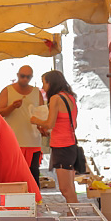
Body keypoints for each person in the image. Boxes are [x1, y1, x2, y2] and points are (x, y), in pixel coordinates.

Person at [30, 71, 79, 204]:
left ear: (51, 83)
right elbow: (71, 123)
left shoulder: (55, 98)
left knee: (65, 189)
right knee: (70, 188)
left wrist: (35, 120)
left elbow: (50, 123)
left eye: (44, 83)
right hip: (70, 144)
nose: (43, 87)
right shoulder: (70, 97)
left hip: (62, 147)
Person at [0, 65, 44, 187]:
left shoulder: (36, 92)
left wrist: (43, 128)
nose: (25, 79)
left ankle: (35, 200)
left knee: (33, 173)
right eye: (22, 76)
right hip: (13, 141)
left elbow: (42, 113)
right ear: (17, 75)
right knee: (13, 174)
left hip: (33, 142)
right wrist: (12, 107)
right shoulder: (7, 90)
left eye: (28, 77)